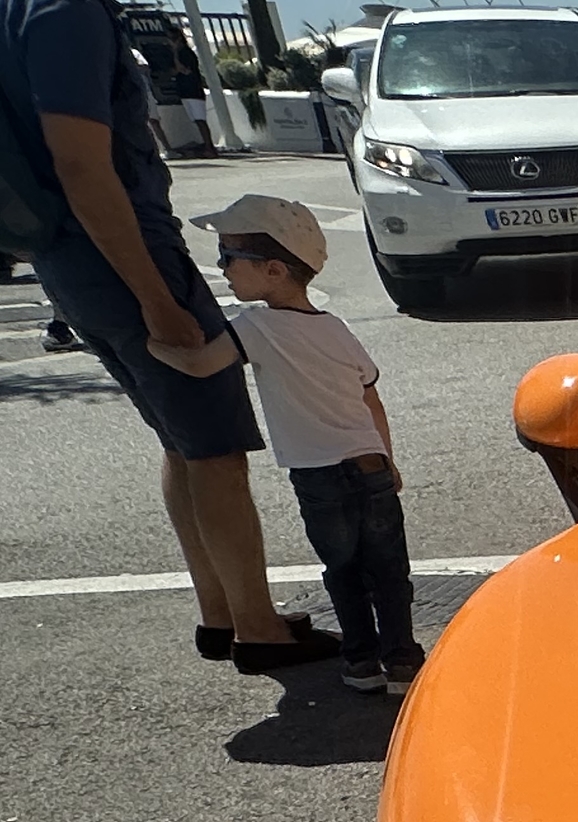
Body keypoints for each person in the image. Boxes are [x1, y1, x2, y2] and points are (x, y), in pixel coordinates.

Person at [3, 0, 324, 671]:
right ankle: (257, 629)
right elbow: (82, 165)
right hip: (123, 256)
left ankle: (222, 613)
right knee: (214, 447)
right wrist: (156, 297)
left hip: (71, 259)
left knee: (182, 444)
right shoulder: (66, 12)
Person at [198, 194, 422, 698]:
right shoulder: (337, 329)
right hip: (371, 466)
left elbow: (204, 364)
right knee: (389, 570)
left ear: (272, 269)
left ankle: (361, 663)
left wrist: (155, 349)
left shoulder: (253, 327)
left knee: (343, 571)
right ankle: (403, 659)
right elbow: (372, 398)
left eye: (228, 259)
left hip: (317, 474)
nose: (223, 270)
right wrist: (390, 458)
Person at [170, 38, 210, 156]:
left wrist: (175, 53)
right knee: (197, 120)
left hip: (193, 91)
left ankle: (209, 147)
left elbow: (182, 69)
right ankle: (206, 146)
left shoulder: (186, 53)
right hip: (185, 92)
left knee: (200, 120)